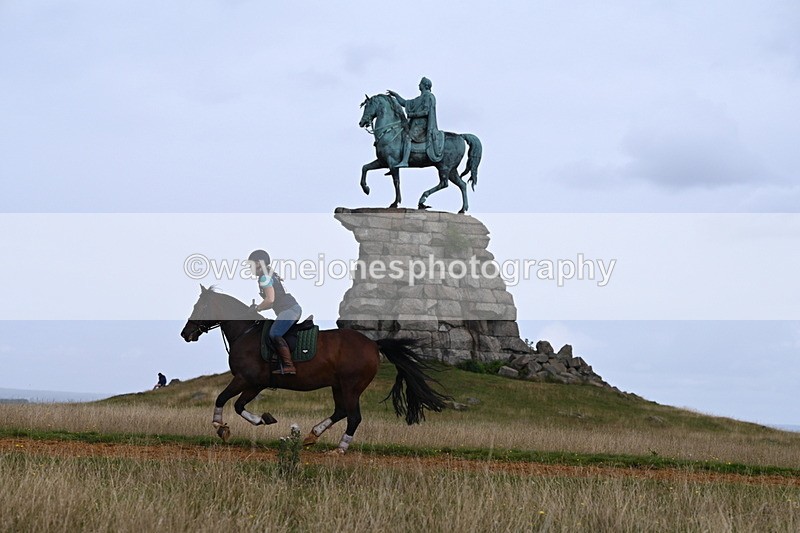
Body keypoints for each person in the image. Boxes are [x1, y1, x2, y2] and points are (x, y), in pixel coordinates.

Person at [248, 249, 302, 375]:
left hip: (289, 309)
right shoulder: (270, 274)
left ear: (258, 263)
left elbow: (270, 300)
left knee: (274, 333)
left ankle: (289, 366)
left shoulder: (264, 277)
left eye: (251, 264)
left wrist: (257, 309)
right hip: (290, 309)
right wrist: (259, 307)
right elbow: (272, 301)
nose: (250, 268)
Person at [386, 76, 445, 170]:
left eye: (420, 84)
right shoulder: (419, 98)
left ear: (425, 85)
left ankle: (405, 161)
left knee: (407, 137)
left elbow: (426, 112)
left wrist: (412, 115)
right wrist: (396, 95)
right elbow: (405, 103)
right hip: (415, 124)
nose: (418, 85)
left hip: (422, 125)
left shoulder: (429, 96)